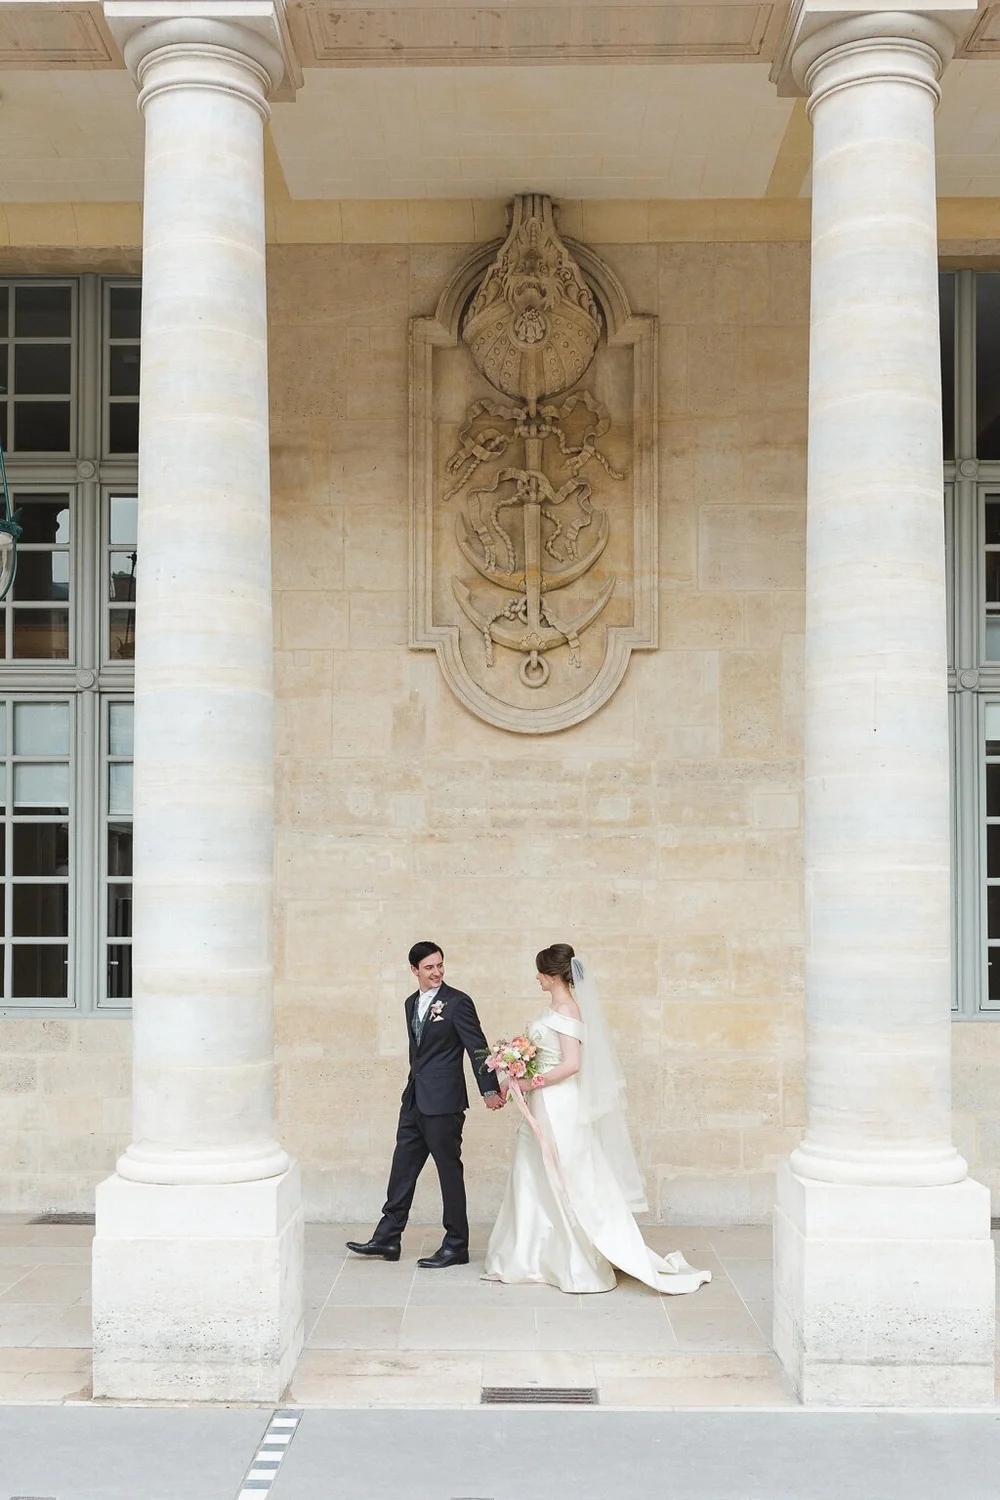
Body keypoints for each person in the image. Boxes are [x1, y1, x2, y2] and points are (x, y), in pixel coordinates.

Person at [484, 942, 711, 1295]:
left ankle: (575, 1262)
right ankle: (532, 1256)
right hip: (543, 1102)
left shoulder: (567, 1010)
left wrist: (530, 1081)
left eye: (540, 973)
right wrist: (515, 1071)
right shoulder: (554, 1007)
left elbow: (571, 1064)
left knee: (565, 1177)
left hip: (559, 1104)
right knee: (534, 1170)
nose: (537, 978)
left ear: (551, 975)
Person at [347, 941, 504, 1269]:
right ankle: (388, 1237)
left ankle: (456, 1245)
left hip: (444, 1102)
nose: (436, 972)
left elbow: (477, 1046)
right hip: (415, 1099)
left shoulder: (458, 1002)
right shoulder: (410, 1003)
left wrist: (489, 1089)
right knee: (402, 1168)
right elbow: (418, 1053)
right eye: (429, 967)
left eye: (440, 965)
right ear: (414, 970)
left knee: (449, 1172)